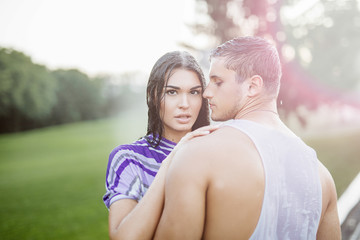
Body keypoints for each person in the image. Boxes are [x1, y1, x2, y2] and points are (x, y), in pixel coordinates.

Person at [154, 36, 341, 239]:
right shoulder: (322, 177)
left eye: (217, 82)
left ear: (253, 86)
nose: (206, 92)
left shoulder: (197, 153)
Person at [103, 51, 217, 240]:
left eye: (194, 92)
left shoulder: (217, 150)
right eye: (172, 92)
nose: (185, 104)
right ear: (153, 96)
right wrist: (172, 160)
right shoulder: (128, 158)